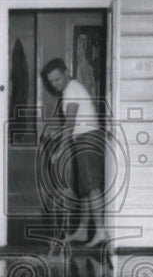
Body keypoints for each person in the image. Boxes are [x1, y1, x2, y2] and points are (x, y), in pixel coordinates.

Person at [41, 58, 109, 247]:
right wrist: (56, 132)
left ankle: (101, 232)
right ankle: (82, 230)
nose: (55, 84)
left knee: (92, 187)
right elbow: (75, 122)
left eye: (57, 79)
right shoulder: (72, 88)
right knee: (85, 189)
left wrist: (60, 149)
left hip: (88, 139)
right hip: (85, 137)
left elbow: (71, 123)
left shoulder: (71, 90)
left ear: (66, 72)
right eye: (51, 81)